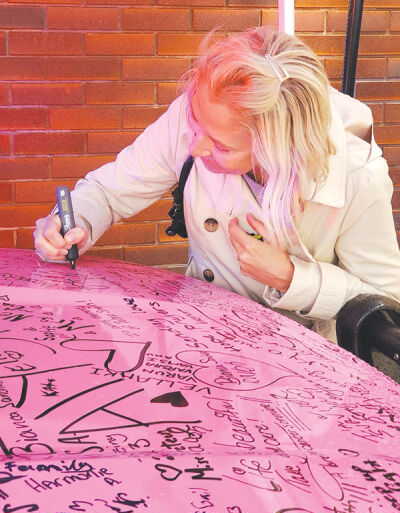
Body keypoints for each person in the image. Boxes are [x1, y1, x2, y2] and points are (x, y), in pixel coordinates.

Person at [34, 27, 400, 342]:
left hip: (304, 371)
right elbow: (108, 191)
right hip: (202, 340)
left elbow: (387, 311)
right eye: (195, 125)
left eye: (222, 145)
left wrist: (292, 278)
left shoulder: (357, 176)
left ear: (278, 148)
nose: (196, 147)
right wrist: (75, 219)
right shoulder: (200, 111)